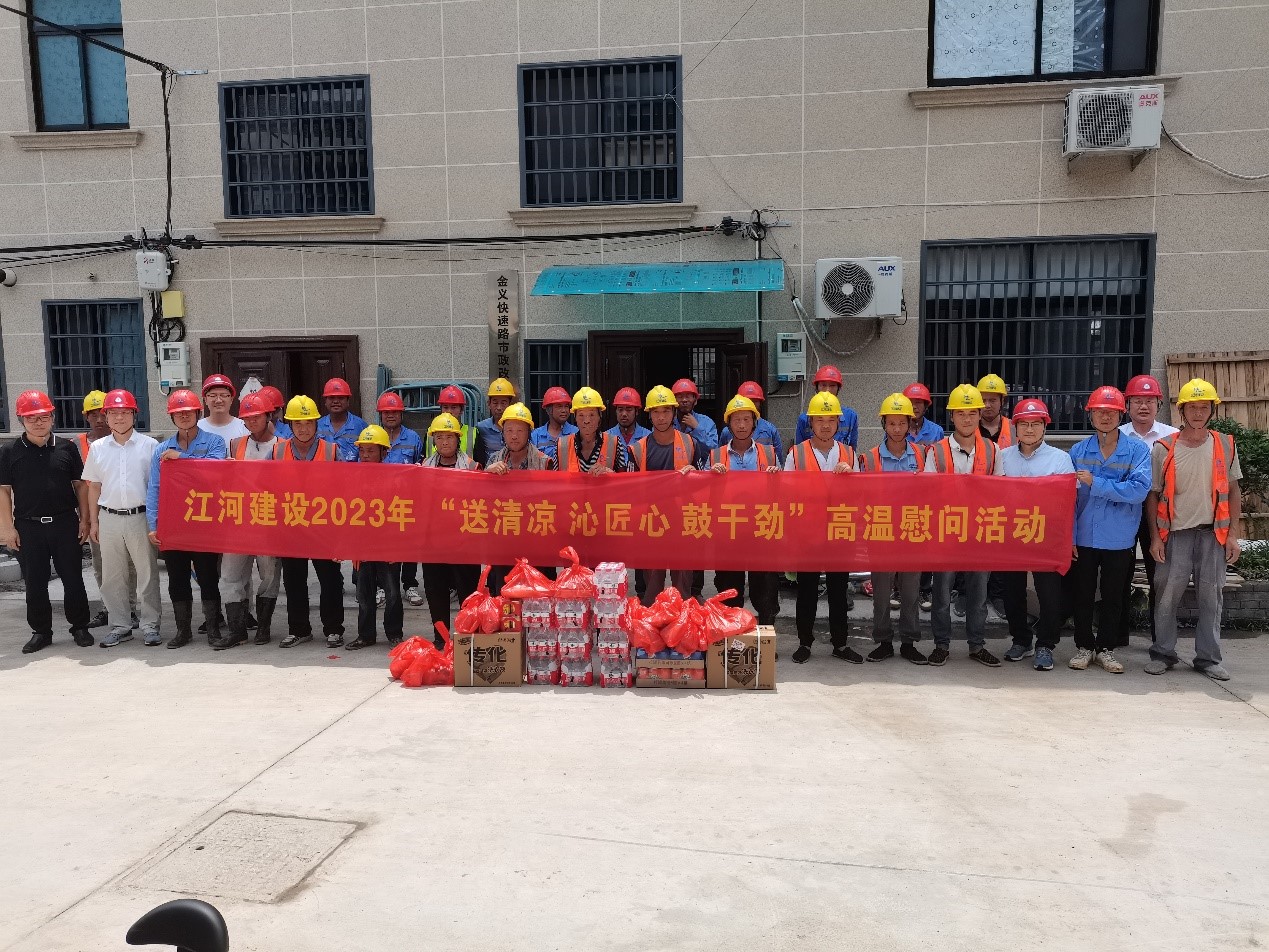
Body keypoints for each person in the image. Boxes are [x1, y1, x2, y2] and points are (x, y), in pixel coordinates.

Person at [1146, 378, 1242, 681]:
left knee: (1211, 597)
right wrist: (1154, 538)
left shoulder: (1225, 445)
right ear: (1182, 411)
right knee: (1166, 596)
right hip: (1174, 535)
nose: (1198, 413)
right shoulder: (1164, 448)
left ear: (1212, 410)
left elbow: (1234, 491)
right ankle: (1163, 653)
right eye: (1192, 408)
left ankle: (1208, 658)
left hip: (1213, 535)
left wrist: (1233, 535)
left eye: (1203, 407)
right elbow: (1153, 495)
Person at [0, 390, 93, 653]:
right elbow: (3, 491)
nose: (38, 422)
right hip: (28, 527)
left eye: (43, 417)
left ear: (52, 417)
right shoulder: (9, 451)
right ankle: (41, 631)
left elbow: (80, 486)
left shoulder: (66, 447)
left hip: (65, 524)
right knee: (35, 582)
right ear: (21, 420)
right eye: (31, 418)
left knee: (73, 578)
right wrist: (7, 528)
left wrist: (85, 519)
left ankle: (79, 626)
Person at [1067, 386, 1152, 674]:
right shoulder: (1078, 451)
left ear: (1121, 415)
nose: (1105, 417)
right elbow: (1068, 500)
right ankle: (1084, 646)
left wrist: (1097, 483)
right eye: (1100, 412)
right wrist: (1069, 537)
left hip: (1119, 537)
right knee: (1082, 594)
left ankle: (1106, 648)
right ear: (1090, 415)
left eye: (1111, 412)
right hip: (1084, 535)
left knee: (1114, 595)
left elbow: (1138, 491)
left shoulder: (1137, 451)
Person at [923, 384, 1001, 667]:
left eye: (972, 413)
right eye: (960, 413)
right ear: (952, 417)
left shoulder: (993, 450)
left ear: (980, 415)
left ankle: (977, 645)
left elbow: (1000, 491)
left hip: (980, 532)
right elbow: (928, 493)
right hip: (946, 532)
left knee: (978, 595)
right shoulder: (936, 451)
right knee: (941, 594)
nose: (967, 419)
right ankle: (941, 645)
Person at [146, 389, 228, 648]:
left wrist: (182, 458)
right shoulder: (162, 449)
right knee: (177, 578)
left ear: (197, 413)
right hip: (174, 524)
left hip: (204, 522)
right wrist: (153, 524)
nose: (183, 416)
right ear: (171, 417)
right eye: (178, 413)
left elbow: (214, 471)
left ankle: (213, 628)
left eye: (188, 412)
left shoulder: (215, 442)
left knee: (208, 577)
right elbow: (154, 488)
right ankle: (183, 631)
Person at [996, 399, 1074, 672]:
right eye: (1024, 424)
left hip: (1046, 536)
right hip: (1011, 535)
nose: (1029, 429)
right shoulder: (1002, 457)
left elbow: (1067, 501)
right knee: (1012, 591)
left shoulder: (1060, 459)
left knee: (1049, 593)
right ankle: (1021, 639)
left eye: (1035, 424)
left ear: (1044, 427)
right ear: (1015, 427)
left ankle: (1046, 644)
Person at [82, 389, 162, 648]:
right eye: (113, 413)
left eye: (125, 412)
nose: (119, 417)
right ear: (106, 416)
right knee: (112, 576)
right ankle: (120, 626)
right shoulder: (97, 448)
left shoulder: (150, 446)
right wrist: (94, 522)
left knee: (147, 574)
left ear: (134, 415)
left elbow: (157, 486)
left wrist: (156, 522)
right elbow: (94, 487)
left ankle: (150, 625)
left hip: (141, 517)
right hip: (109, 518)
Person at [784, 392, 857, 664]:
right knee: (807, 590)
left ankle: (840, 643)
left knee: (839, 590)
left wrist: (850, 477)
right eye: (819, 420)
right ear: (810, 423)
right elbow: (787, 492)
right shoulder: (796, 453)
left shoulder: (849, 453)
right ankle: (804, 642)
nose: (825, 426)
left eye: (831, 420)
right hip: (808, 532)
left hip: (839, 530)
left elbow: (861, 493)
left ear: (838, 423)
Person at [858, 393, 927, 664]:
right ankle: (883, 641)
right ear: (884, 424)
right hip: (881, 531)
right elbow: (860, 496)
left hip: (912, 531)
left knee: (910, 593)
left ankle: (909, 641)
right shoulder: (870, 458)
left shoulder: (922, 454)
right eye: (891, 423)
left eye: (902, 423)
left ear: (910, 424)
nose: (897, 429)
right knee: (881, 593)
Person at [273, 395, 345, 648]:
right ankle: (299, 629)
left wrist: (340, 535)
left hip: (324, 526)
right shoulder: (277, 450)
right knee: (294, 580)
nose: (303, 429)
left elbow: (344, 491)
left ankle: (334, 629)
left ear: (316, 424)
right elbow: (265, 486)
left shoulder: (332, 451)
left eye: (308, 423)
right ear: (290, 425)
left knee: (330, 580)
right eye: (298, 423)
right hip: (291, 525)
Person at [629, 385, 708, 604]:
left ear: (674, 412)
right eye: (656, 412)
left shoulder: (690, 443)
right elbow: (629, 488)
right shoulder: (637, 449)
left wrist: (694, 474)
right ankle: (653, 621)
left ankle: (682, 621)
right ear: (649, 415)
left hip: (682, 521)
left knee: (682, 584)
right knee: (652, 585)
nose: (661, 417)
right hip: (651, 522)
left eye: (666, 411)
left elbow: (704, 483)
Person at [216, 391, 281, 648]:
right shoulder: (235, 445)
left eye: (257, 417)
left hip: (268, 521)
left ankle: (263, 628)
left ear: (268, 416)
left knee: (269, 575)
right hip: (238, 521)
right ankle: (237, 630)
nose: (252, 421)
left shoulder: (282, 446)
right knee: (230, 576)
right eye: (247, 418)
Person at [710, 394, 781, 626]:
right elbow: (705, 495)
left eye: (746, 420)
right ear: (729, 424)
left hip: (761, 528)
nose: (741, 425)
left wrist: (776, 477)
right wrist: (711, 477)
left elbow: (782, 490)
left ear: (754, 423)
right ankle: (732, 633)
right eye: (736, 420)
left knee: (765, 587)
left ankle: (766, 633)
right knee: (729, 589)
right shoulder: (716, 456)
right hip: (728, 530)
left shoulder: (769, 453)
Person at [1118, 374, 1178, 645]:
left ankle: (1160, 639)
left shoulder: (1172, 436)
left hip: (1161, 513)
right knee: (1120, 572)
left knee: (1159, 574)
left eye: (1150, 401)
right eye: (1137, 401)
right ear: (1127, 405)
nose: (1144, 406)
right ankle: (1117, 635)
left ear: (1159, 404)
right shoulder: (1117, 435)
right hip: (1122, 511)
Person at [76, 389, 135, 630]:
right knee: (102, 565)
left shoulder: (125, 441)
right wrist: (87, 519)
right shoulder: (76, 445)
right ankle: (108, 608)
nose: (99, 419)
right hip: (94, 514)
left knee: (129, 564)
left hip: (123, 510)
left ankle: (131, 608)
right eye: (94, 415)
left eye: (103, 414)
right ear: (86, 416)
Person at [420, 413, 480, 643]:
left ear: (458, 439)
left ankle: (468, 636)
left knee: (468, 592)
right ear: (433, 440)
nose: (444, 442)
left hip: (465, 542)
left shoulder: (473, 467)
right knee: (436, 592)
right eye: (440, 437)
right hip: (434, 542)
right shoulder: (423, 468)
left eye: (449, 437)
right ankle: (441, 638)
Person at [345, 425, 404, 650]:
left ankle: (394, 633)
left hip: (388, 546)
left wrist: (398, 547)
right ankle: (366, 635)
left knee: (392, 593)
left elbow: (402, 514)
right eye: (362, 450)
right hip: (363, 546)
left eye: (371, 450)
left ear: (384, 452)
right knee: (364, 594)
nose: (366, 455)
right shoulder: (352, 478)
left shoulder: (395, 479)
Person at [376, 390, 425, 607]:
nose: (390, 415)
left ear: (401, 414)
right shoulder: (374, 435)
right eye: (386, 412)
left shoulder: (413, 438)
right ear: (380, 414)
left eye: (394, 412)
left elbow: (420, 468)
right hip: (380, 504)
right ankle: (382, 586)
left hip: (407, 502)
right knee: (382, 546)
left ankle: (410, 585)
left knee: (409, 546)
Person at [903, 381, 942, 613]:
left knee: (926, 541)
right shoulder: (897, 426)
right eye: (911, 402)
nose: (915, 406)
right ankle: (900, 587)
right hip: (903, 494)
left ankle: (925, 588)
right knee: (903, 542)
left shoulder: (936, 431)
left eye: (919, 403)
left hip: (928, 493)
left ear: (926, 406)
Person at [553, 387, 628, 474]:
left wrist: (610, 474)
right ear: (575, 417)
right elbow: (554, 480)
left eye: (592, 415)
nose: (586, 421)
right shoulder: (561, 445)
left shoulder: (614, 443)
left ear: (599, 416)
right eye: (581, 415)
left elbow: (624, 480)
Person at [793, 365, 859, 449]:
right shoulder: (804, 418)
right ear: (816, 388)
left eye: (832, 386)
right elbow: (800, 450)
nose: (828, 390)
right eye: (823, 385)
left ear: (838, 388)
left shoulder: (851, 416)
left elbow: (852, 449)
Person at [720, 381, 784, 461]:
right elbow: (721, 457)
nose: (751, 404)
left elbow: (778, 460)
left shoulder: (770, 430)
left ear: (760, 403)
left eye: (755, 401)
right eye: (748, 400)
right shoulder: (727, 432)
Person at [486, 402, 555, 473]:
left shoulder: (545, 463)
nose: (514, 436)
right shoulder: (494, 460)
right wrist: (488, 473)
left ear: (529, 433)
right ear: (503, 433)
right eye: (509, 430)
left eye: (520, 430)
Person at [425, 384, 482, 464]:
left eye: (454, 407)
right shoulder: (430, 431)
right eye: (445, 407)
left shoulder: (472, 433)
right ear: (441, 409)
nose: (449, 411)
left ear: (461, 410)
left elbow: (480, 465)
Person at [317, 377, 367, 462]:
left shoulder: (361, 427)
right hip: (323, 470)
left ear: (348, 401)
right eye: (331, 398)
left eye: (340, 398)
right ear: (325, 401)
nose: (336, 401)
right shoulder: (317, 426)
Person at [672, 378, 719, 449]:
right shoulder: (667, 422)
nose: (684, 400)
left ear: (695, 401)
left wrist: (697, 428)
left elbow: (714, 449)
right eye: (680, 397)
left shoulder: (707, 422)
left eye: (688, 396)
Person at [476, 377, 516, 458]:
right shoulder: (481, 427)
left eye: (503, 403)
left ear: (510, 404)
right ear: (489, 404)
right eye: (495, 403)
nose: (499, 407)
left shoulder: (518, 427)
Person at [605, 387, 650, 456]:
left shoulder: (648, 437)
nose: (624, 414)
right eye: (620, 409)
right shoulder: (606, 437)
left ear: (636, 411)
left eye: (629, 409)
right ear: (616, 411)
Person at [532, 386, 578, 453]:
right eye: (559, 406)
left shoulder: (576, 433)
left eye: (566, 406)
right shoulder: (536, 435)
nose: (564, 410)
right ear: (549, 410)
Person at [976, 374, 1014, 447]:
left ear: (1002, 401)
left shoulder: (1014, 429)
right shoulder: (970, 428)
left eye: (992, 400)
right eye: (983, 400)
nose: (987, 405)